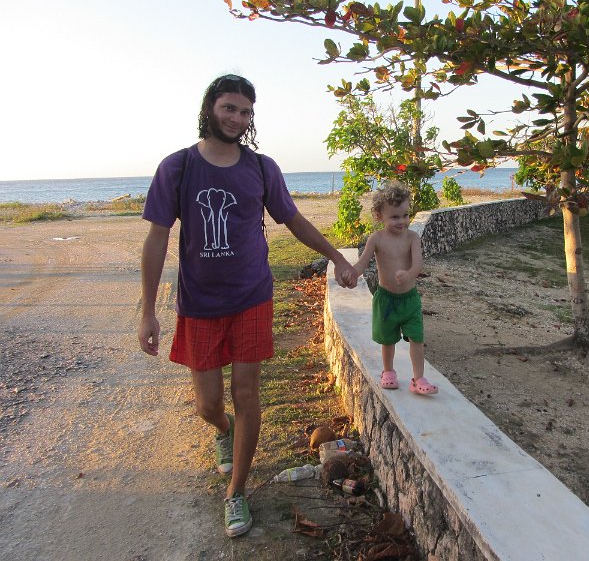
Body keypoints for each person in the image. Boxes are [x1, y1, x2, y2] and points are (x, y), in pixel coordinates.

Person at [137, 74, 356, 538]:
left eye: (245, 112)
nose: (237, 118)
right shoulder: (177, 167)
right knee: (208, 404)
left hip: (252, 297)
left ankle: (235, 491)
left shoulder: (261, 168)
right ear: (210, 109)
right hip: (199, 303)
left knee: (248, 393)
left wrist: (336, 256)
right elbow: (156, 239)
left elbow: (293, 220)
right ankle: (223, 429)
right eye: (229, 108)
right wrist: (147, 310)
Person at [352, 181, 438, 396]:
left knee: (417, 338)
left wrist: (409, 274)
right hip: (386, 300)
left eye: (405, 215)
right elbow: (363, 263)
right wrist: (352, 273)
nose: (402, 221)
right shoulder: (376, 239)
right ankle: (388, 372)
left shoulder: (412, 238)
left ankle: (418, 378)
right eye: (395, 217)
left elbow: (418, 264)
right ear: (379, 216)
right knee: (388, 339)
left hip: (410, 300)